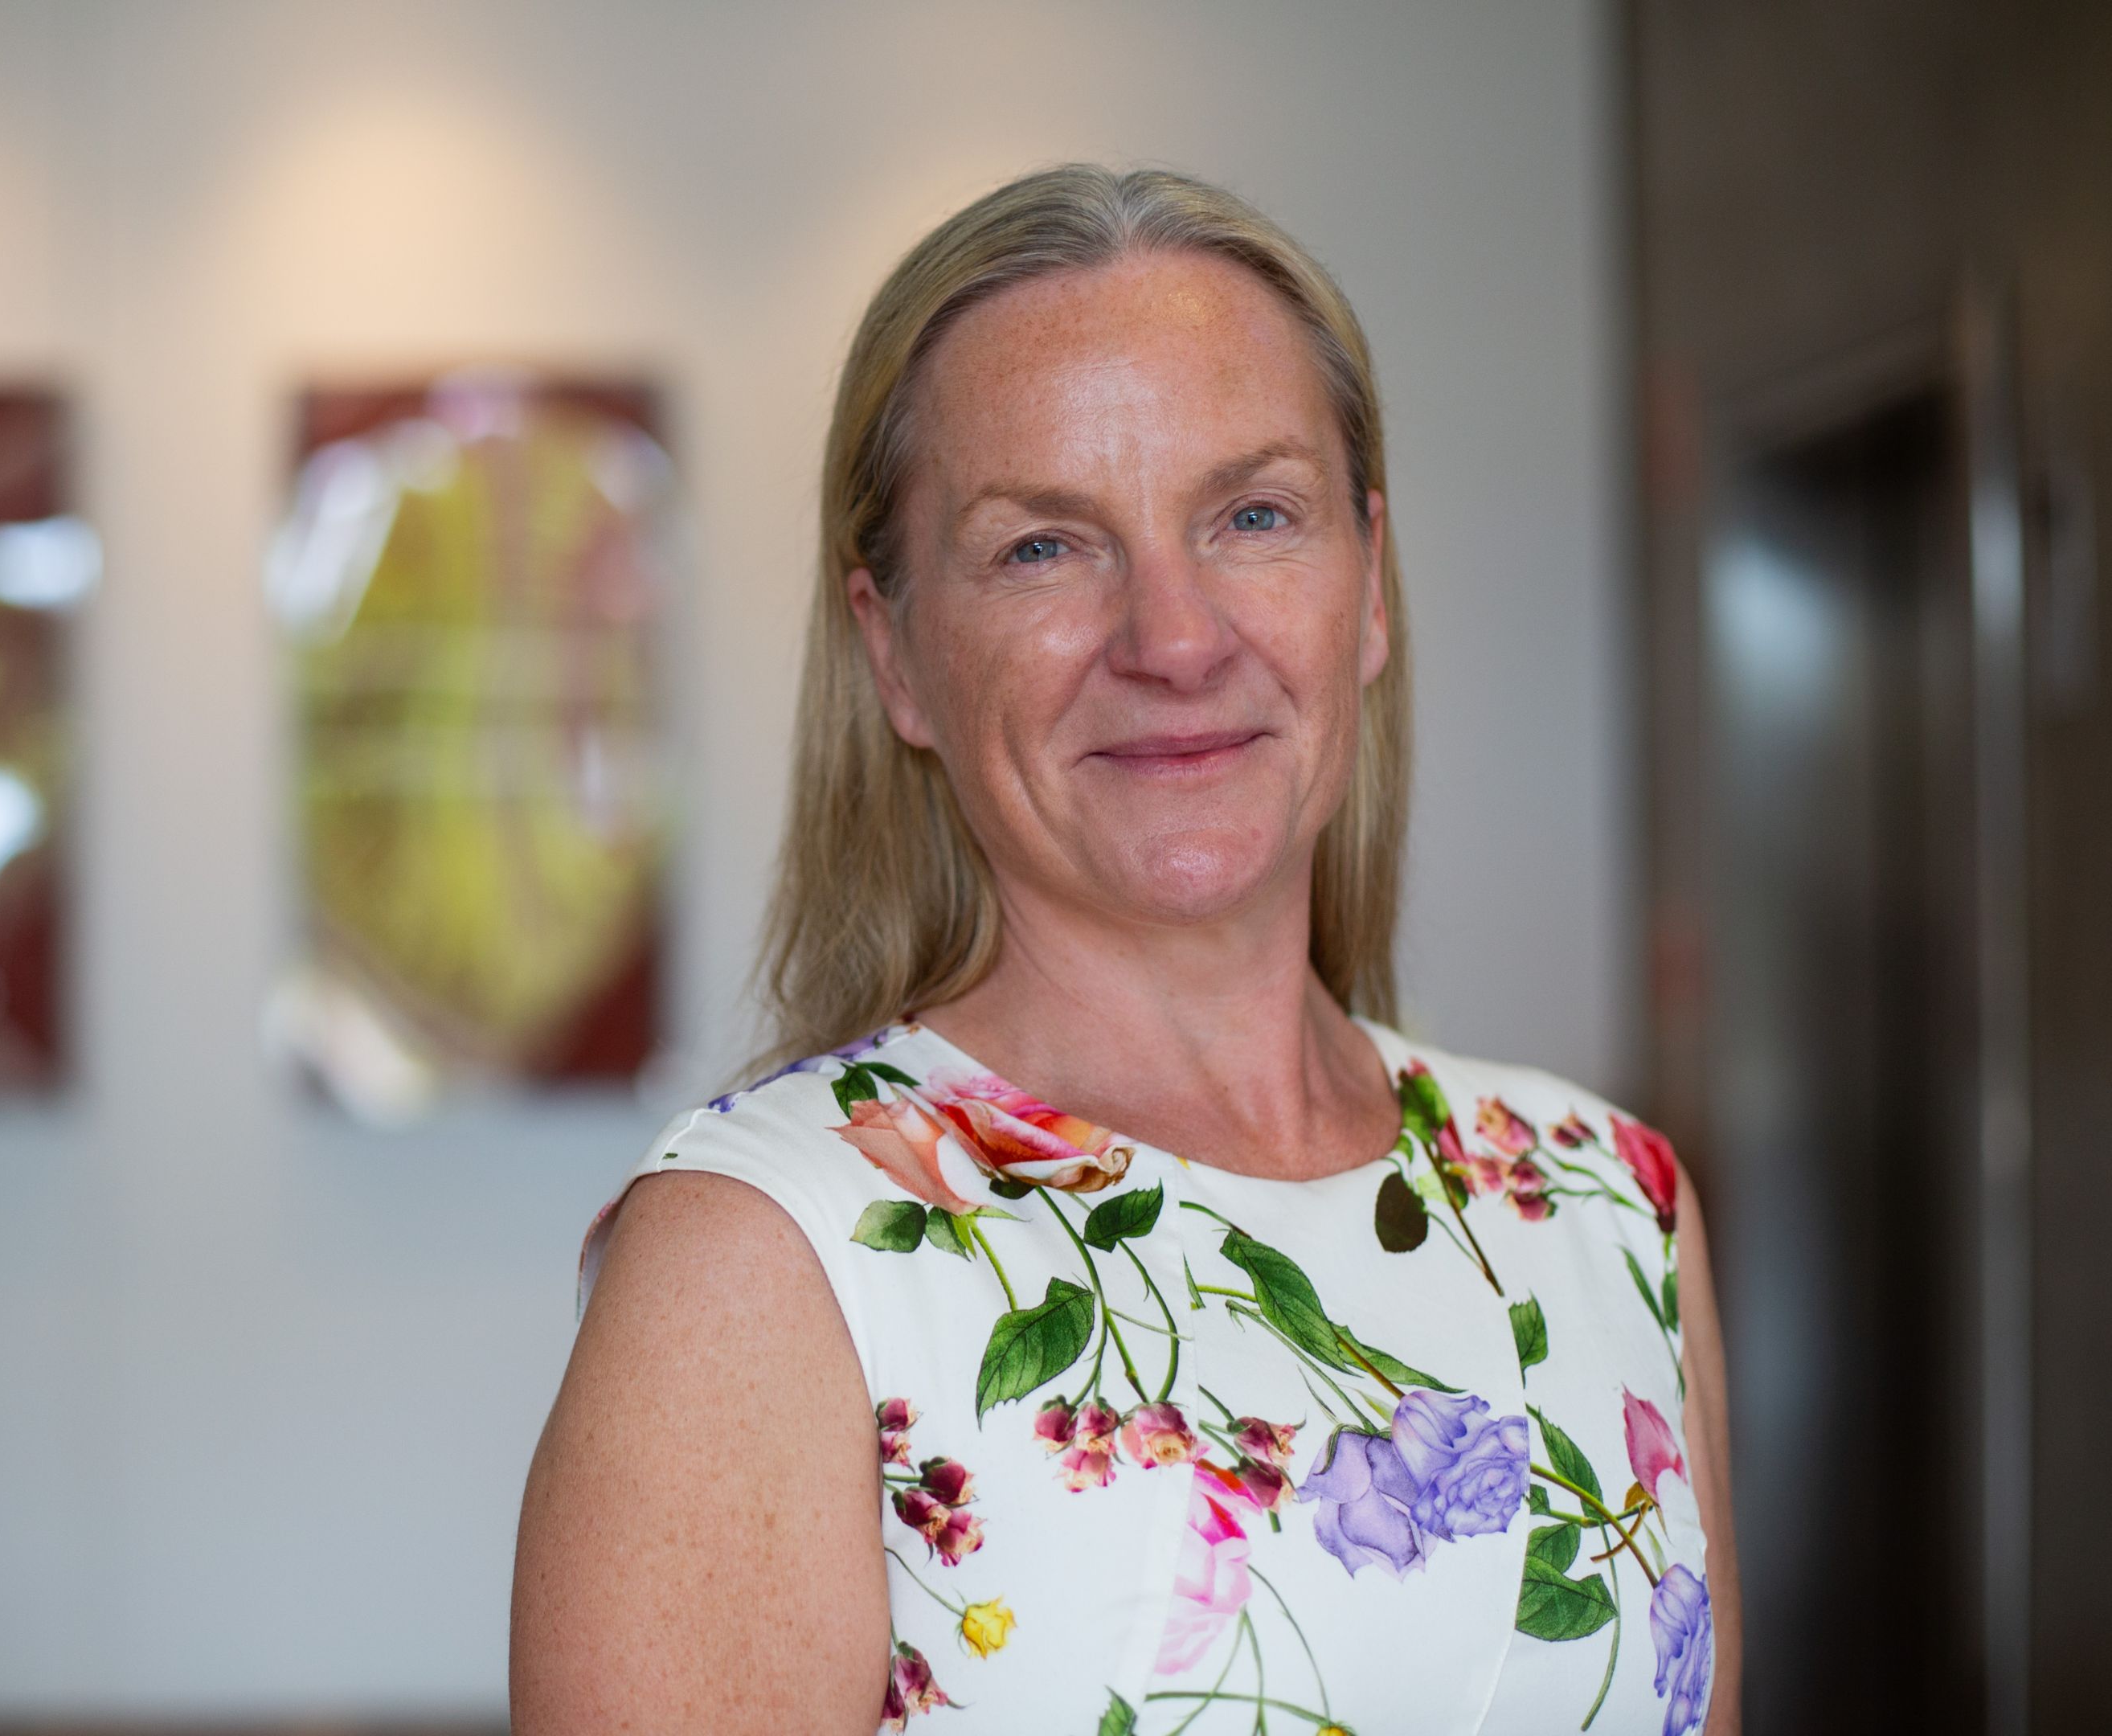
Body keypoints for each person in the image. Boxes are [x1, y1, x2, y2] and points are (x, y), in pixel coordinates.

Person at [511, 164, 1737, 1736]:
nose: (1173, 637)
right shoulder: (768, 1262)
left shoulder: (1608, 1206)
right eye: (1043, 547)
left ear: (1370, 588)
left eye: (1254, 515)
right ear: (893, 652)